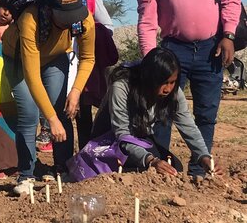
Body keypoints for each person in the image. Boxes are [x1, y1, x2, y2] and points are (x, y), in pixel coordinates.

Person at [137, 0, 241, 176]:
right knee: (161, 112)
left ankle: (199, 170)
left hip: (211, 49)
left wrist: (228, 35)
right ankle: (162, 167)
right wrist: (152, 62)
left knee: (206, 113)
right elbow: (147, 22)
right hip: (173, 50)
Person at [2, 0, 95, 194]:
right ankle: (26, 175)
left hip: (55, 57)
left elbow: (88, 58)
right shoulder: (30, 19)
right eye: (65, 16)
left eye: (75, 14)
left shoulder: (84, 19)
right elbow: (32, 76)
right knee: (29, 114)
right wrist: (49, 120)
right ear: (49, 9)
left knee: (60, 110)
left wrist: (76, 90)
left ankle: (62, 167)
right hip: (18, 60)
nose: (72, 20)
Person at [90, 48, 223, 177]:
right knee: (145, 168)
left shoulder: (174, 93)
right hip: (110, 140)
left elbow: (188, 126)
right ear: (149, 78)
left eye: (172, 82)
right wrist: (150, 161)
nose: (168, 89)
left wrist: (203, 156)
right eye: (164, 83)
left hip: (138, 138)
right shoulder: (121, 87)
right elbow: (122, 135)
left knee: (174, 168)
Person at [47, 0, 117, 151]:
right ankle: (64, 160)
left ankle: (86, 154)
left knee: (84, 109)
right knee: (61, 109)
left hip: (86, 62)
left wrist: (87, 33)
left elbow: (108, 26)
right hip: (57, 60)